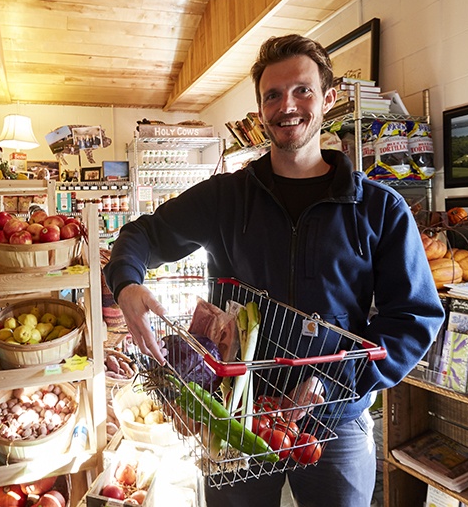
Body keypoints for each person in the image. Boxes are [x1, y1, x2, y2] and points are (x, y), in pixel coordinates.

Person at [103, 34, 446, 507]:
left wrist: (334, 386)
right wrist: (126, 283)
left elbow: (414, 317)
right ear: (261, 109)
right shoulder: (225, 197)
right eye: (273, 95)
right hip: (236, 412)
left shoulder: (378, 208)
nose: (288, 105)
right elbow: (140, 235)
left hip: (335, 421)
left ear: (328, 99)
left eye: (302, 90)